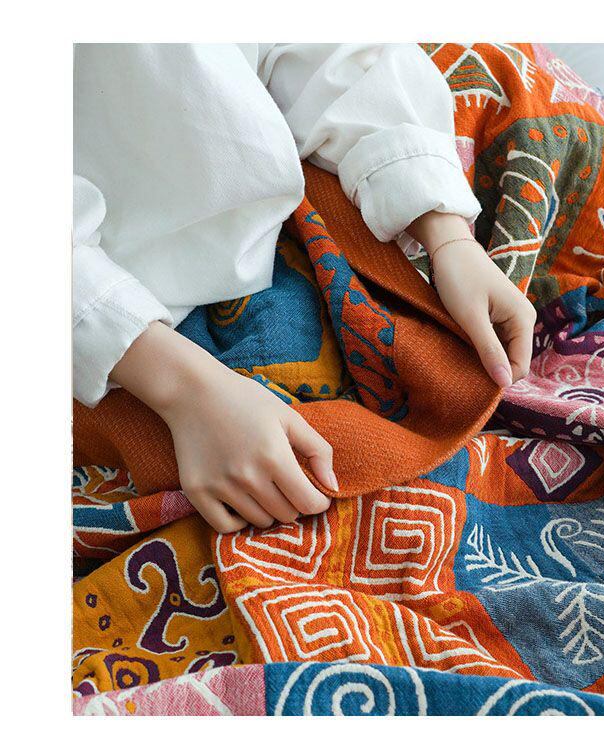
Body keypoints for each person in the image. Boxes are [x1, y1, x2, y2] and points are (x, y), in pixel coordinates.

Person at [74, 43, 536, 533]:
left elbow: (321, 47)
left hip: (287, 207)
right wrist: (185, 391)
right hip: (118, 330)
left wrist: (449, 239)